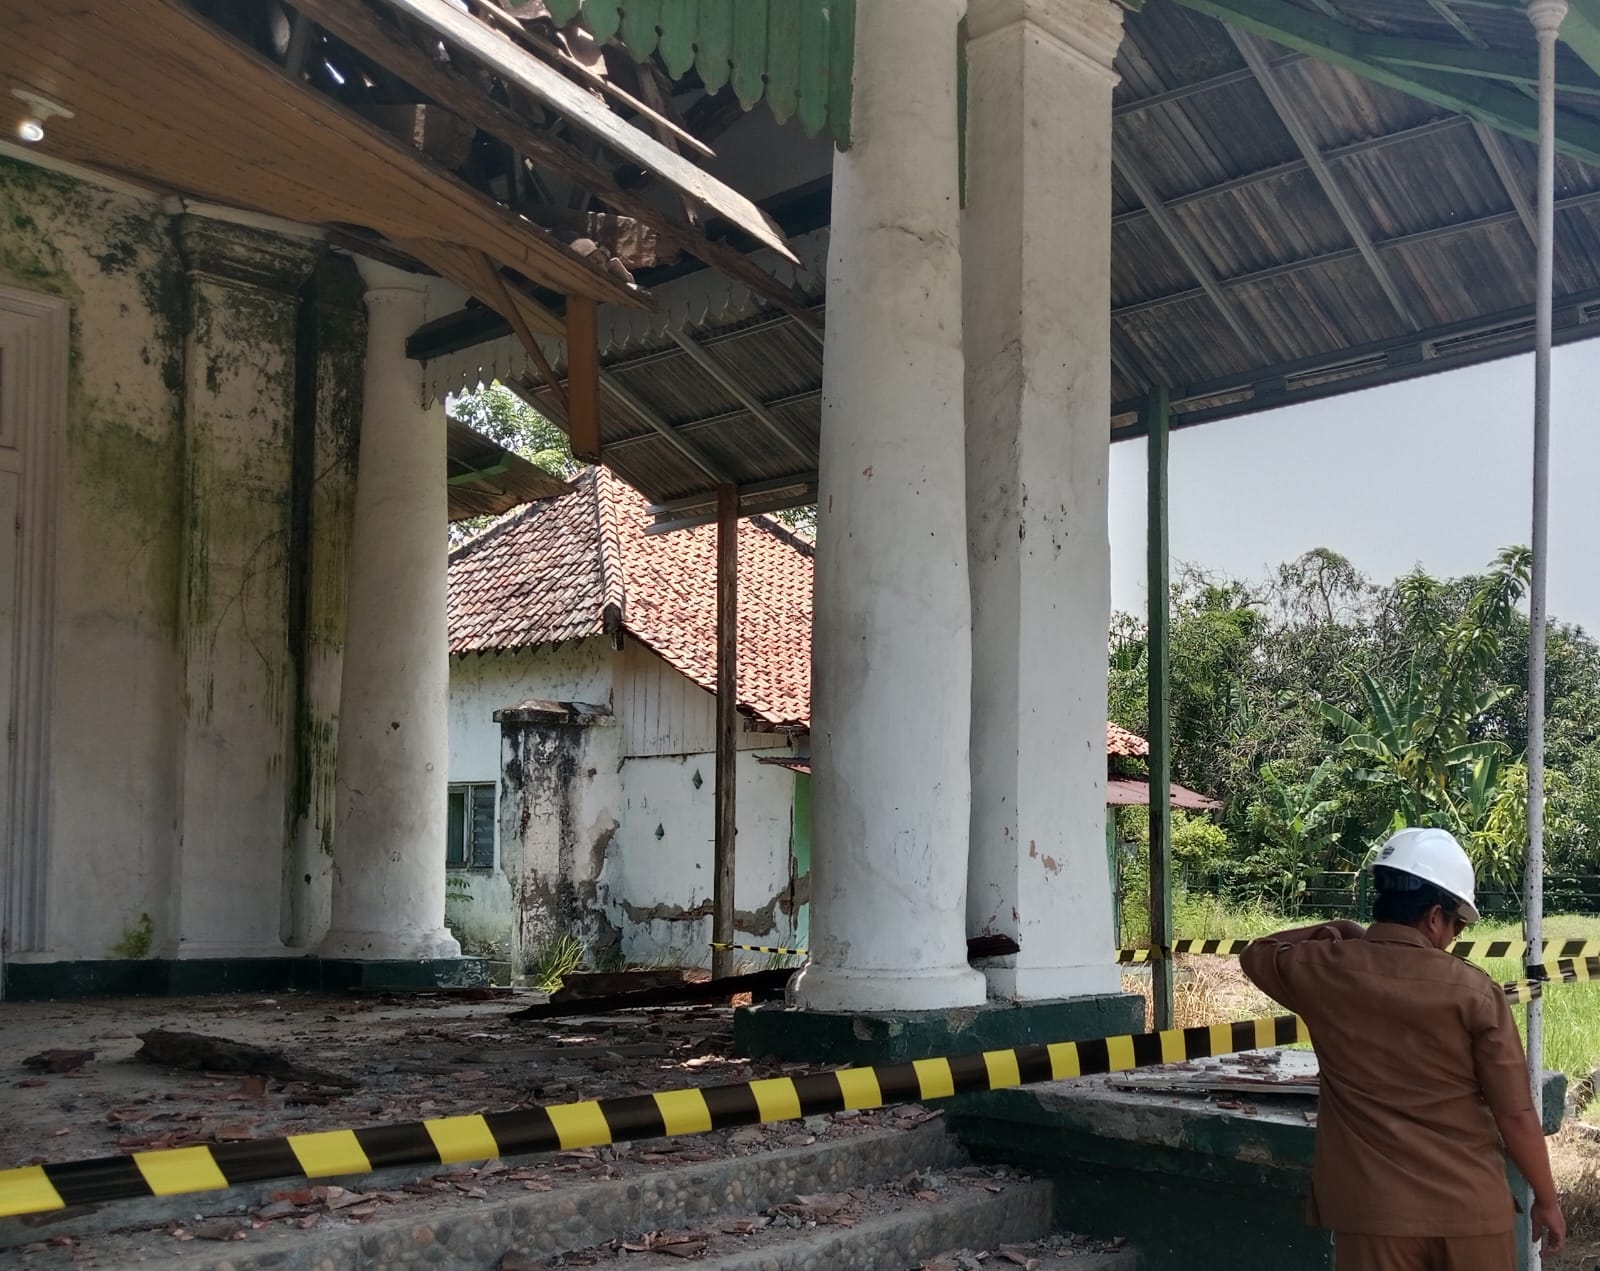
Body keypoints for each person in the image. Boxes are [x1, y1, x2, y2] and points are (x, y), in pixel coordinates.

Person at [1240, 826, 1565, 1271]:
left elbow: (1258, 952)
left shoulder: (1325, 969)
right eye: (1457, 924)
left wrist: (1341, 930)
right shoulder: (1475, 992)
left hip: (1374, 1213)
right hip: (1470, 1210)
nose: (1454, 936)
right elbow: (1516, 1114)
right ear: (1434, 916)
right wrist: (1547, 1199)